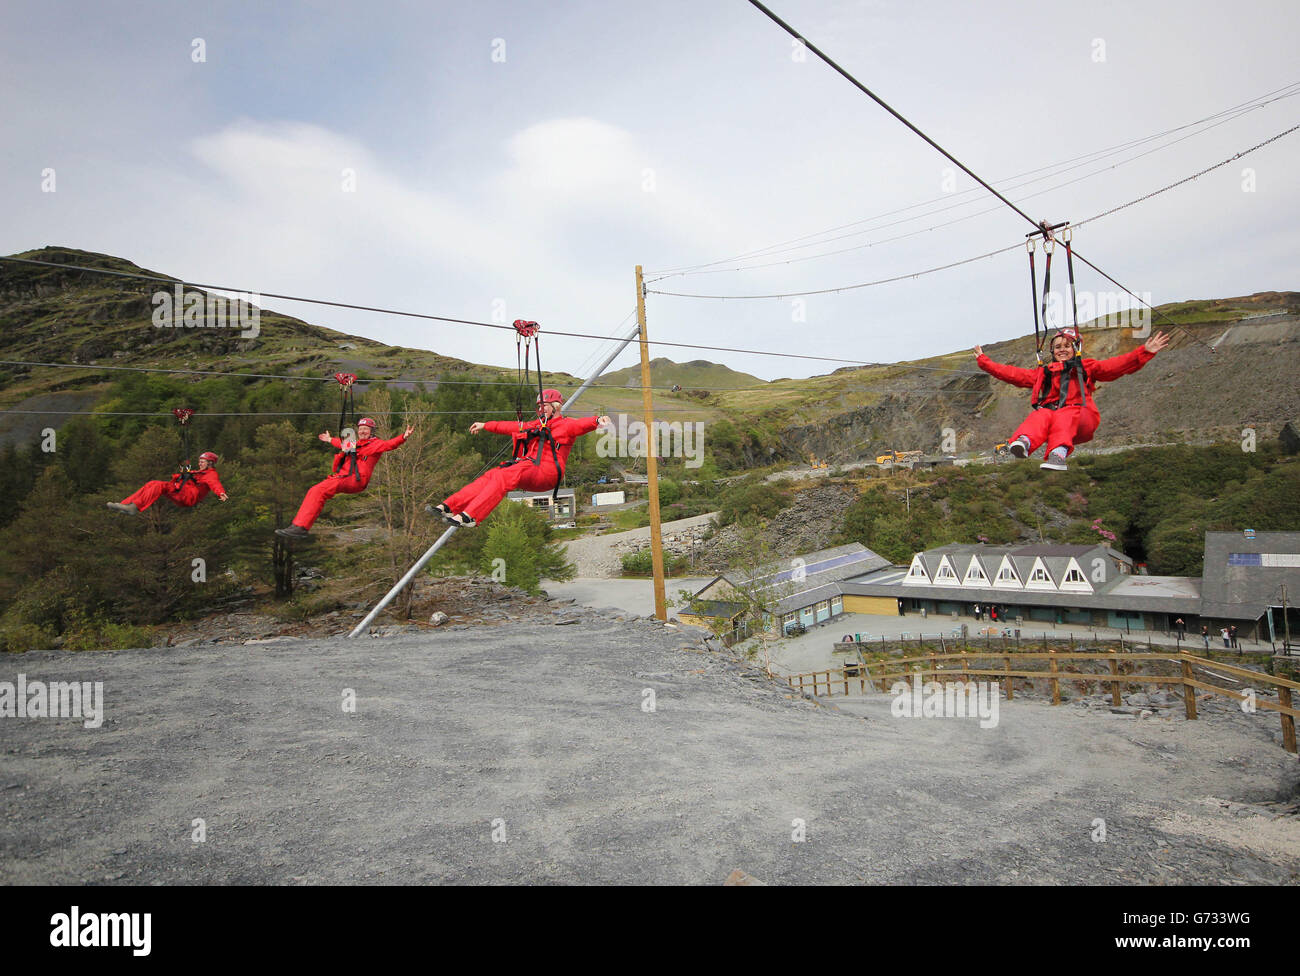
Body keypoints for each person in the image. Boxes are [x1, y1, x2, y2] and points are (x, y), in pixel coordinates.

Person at [974, 328, 1170, 471]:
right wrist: (985, 362)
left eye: (1067, 346)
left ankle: (1058, 453)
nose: (1062, 350)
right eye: (1058, 347)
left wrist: (1145, 351)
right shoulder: (1044, 373)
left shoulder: (1086, 367)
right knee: (1041, 413)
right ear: (1052, 352)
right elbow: (1012, 374)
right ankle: (1024, 442)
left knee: (1063, 413)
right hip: (1057, 417)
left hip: (1082, 417)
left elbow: (1115, 366)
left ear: (1076, 348)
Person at [434, 389, 610, 527]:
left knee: (505, 475)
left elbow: (581, 425)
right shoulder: (536, 424)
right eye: (539, 406)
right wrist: (485, 425)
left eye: (545, 406)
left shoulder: (566, 425)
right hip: (530, 468)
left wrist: (597, 420)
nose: (541, 409)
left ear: (556, 406)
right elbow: (512, 426)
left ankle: (471, 516)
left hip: (547, 473)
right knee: (493, 474)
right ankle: (449, 507)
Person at [276, 418, 413, 539]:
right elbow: (341, 444)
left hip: (354, 480)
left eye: (366, 429)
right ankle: (299, 526)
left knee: (319, 490)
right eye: (360, 429)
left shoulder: (375, 444)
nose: (362, 431)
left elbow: (389, 444)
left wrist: (403, 437)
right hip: (343, 477)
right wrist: (329, 439)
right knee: (314, 490)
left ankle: (300, 527)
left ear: (372, 431)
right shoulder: (355, 444)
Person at [108, 451, 228, 514]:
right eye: (200, 461)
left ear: (210, 463)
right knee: (153, 483)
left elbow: (215, 484)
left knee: (159, 486)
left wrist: (221, 493)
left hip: (187, 496)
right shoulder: (198, 472)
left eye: (203, 461)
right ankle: (125, 505)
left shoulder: (210, 474)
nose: (200, 463)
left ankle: (134, 507)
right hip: (180, 491)